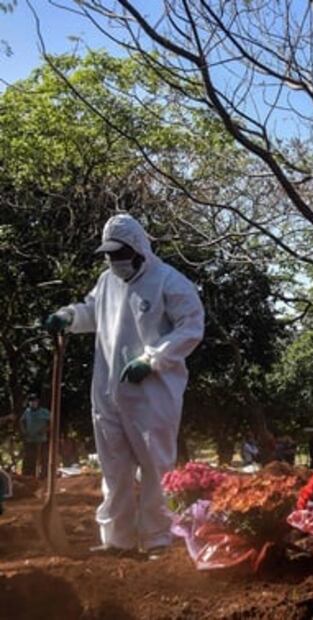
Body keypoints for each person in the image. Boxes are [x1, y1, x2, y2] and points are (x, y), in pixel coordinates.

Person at [44, 214, 204, 560]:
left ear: (139, 250)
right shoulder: (106, 282)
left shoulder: (169, 282)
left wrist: (152, 359)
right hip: (107, 390)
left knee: (155, 467)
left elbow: (191, 328)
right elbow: (91, 311)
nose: (115, 261)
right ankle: (118, 539)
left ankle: (159, 538)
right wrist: (69, 316)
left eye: (120, 254)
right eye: (109, 255)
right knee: (114, 468)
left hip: (152, 392)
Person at [20, 394, 50, 479]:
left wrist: (45, 430)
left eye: (34, 401)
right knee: (30, 458)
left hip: (42, 439)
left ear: (37, 402)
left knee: (43, 458)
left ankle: (44, 476)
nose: (33, 403)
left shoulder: (44, 411)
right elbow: (21, 421)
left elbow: (51, 422)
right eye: (31, 401)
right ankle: (30, 476)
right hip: (30, 439)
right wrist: (24, 431)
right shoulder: (27, 411)